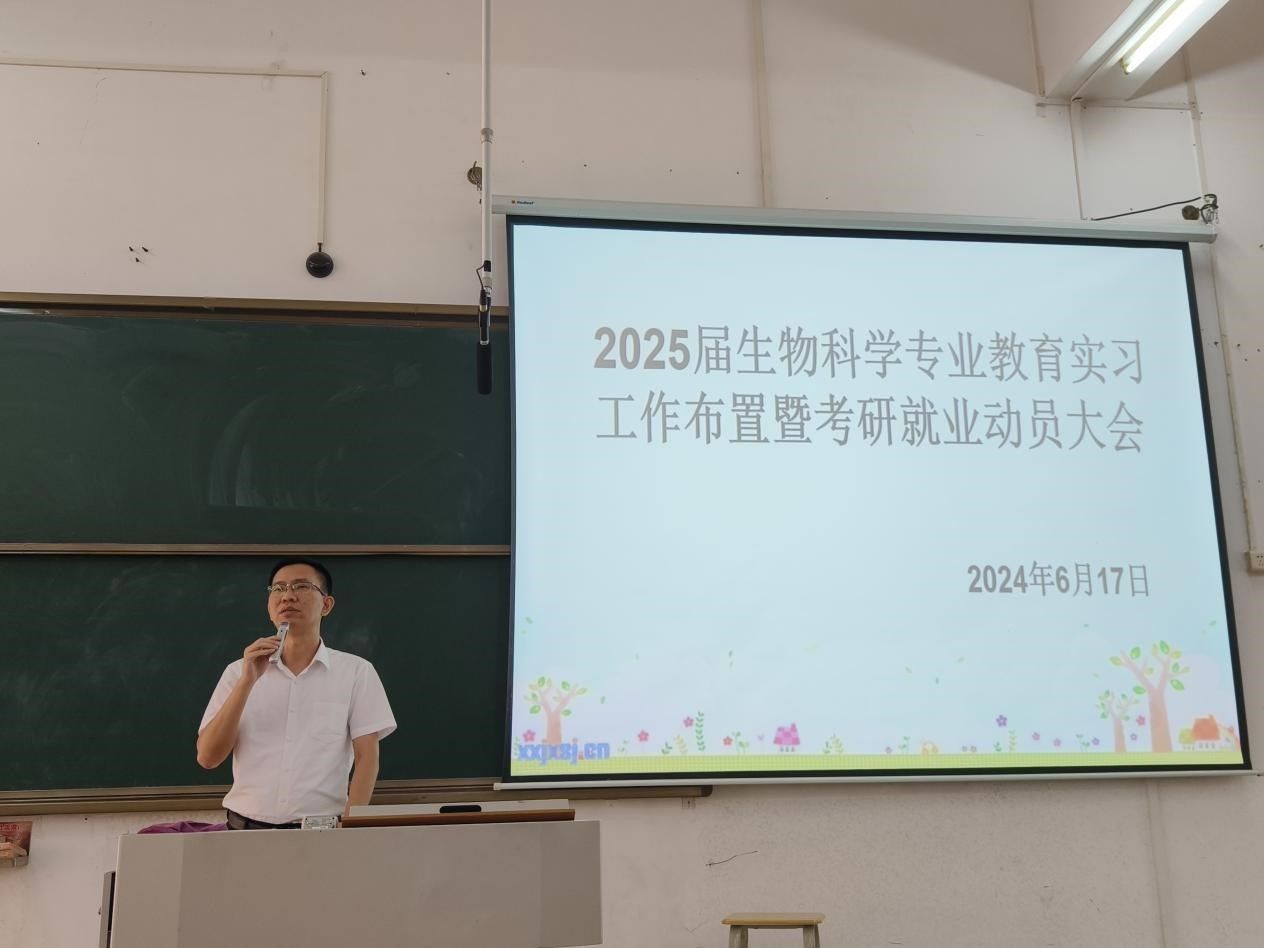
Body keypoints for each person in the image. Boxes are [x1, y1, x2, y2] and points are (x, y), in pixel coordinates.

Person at [196, 559, 396, 829]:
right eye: (278, 589)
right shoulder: (237, 672)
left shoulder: (356, 672)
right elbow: (208, 758)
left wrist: (350, 827)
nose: (287, 596)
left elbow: (367, 759)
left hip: (322, 831)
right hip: (244, 829)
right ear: (269, 605)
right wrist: (247, 682)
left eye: (301, 586)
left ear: (326, 605)